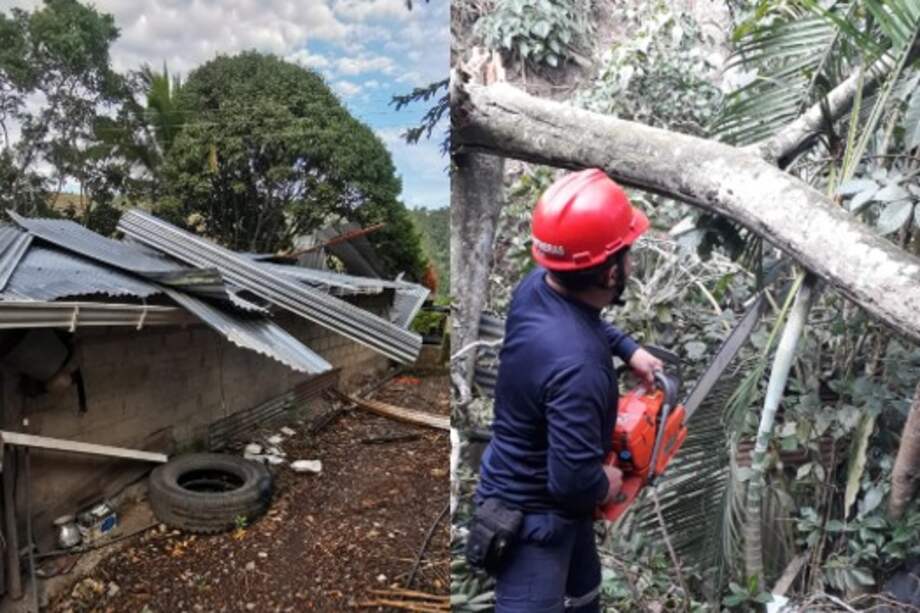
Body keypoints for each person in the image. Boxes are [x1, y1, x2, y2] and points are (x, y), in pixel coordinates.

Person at [473, 168, 663, 613]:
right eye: (628, 256)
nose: (631, 264)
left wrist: (628, 348)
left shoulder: (536, 286)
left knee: (583, 600)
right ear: (610, 275)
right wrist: (607, 481)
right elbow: (573, 481)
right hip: (532, 526)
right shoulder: (578, 367)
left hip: (558, 512)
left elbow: (584, 322)